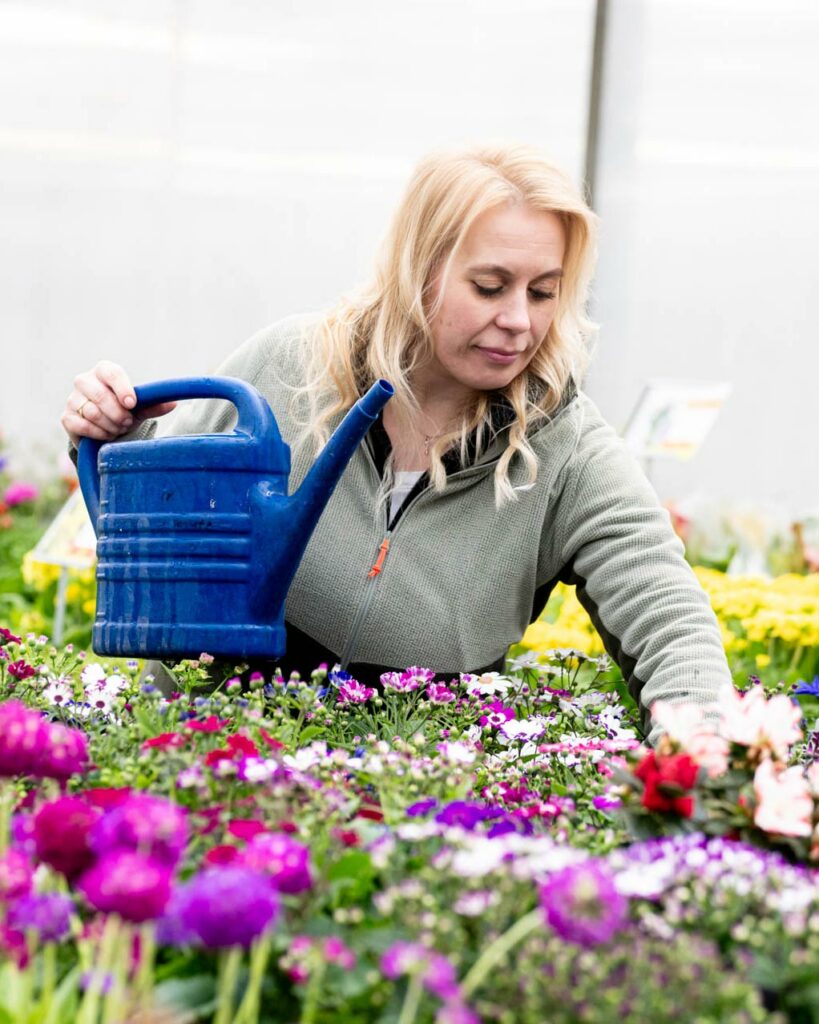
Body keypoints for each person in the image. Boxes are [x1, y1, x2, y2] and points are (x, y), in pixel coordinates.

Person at [62, 145, 732, 744]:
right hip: (208, 758)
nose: (518, 320)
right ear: (418, 268)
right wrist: (118, 436)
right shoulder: (288, 368)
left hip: (406, 794)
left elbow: (666, 613)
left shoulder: (564, 447)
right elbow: (155, 518)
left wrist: (705, 747)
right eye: (489, 286)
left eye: (543, 292)